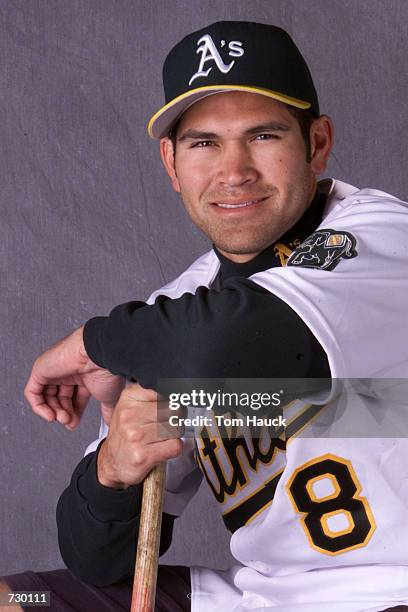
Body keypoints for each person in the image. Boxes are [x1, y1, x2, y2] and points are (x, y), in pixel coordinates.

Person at [3, 20, 408, 612]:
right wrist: (114, 469)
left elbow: (231, 341)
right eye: (203, 143)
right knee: (25, 601)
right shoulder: (173, 317)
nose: (234, 170)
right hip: (260, 600)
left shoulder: (380, 237)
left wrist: (93, 341)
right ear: (171, 163)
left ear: (316, 143)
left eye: (264, 136)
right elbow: (96, 560)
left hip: (391, 592)